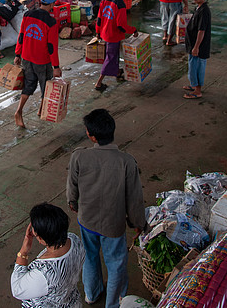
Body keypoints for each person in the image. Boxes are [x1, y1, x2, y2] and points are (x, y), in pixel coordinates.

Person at [67, 109, 146, 308]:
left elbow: (72, 185)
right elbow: (135, 199)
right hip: (113, 224)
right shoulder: (127, 162)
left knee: (89, 256)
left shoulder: (79, 156)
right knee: (116, 263)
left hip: (87, 220)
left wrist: (73, 203)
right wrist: (138, 223)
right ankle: (113, 303)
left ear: (91, 135)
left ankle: (91, 294)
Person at [10, 203, 86, 308]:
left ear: (40, 238)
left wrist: (23, 252)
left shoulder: (44, 273)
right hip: (72, 302)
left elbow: (17, 289)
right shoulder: (74, 240)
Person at [14, 0, 62, 127]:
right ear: (51, 4)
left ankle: (19, 111)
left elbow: (21, 36)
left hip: (27, 58)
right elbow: (51, 47)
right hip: (42, 61)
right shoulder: (51, 22)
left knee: (28, 85)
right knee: (45, 87)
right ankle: (41, 111)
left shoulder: (27, 14)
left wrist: (17, 54)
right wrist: (56, 67)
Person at [94, 0, 137, 91]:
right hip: (113, 35)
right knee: (110, 57)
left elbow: (99, 18)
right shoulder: (120, 4)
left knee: (113, 55)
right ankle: (99, 83)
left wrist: (98, 32)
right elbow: (121, 25)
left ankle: (117, 72)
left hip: (104, 32)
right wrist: (133, 30)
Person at [184, 0, 211, 99]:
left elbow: (201, 31)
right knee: (192, 65)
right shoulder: (198, 8)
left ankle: (198, 90)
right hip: (193, 44)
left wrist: (196, 47)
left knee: (198, 66)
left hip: (199, 46)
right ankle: (193, 84)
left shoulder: (204, 11)